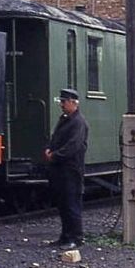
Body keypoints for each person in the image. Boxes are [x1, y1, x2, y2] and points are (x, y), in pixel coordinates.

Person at [44, 88, 89, 250]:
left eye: (64, 101)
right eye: (61, 101)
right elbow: (55, 137)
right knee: (63, 204)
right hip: (60, 169)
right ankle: (65, 236)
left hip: (71, 169)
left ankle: (76, 238)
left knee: (71, 204)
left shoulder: (78, 122)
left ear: (73, 103)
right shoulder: (65, 119)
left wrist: (54, 155)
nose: (61, 105)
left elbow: (74, 146)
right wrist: (49, 148)